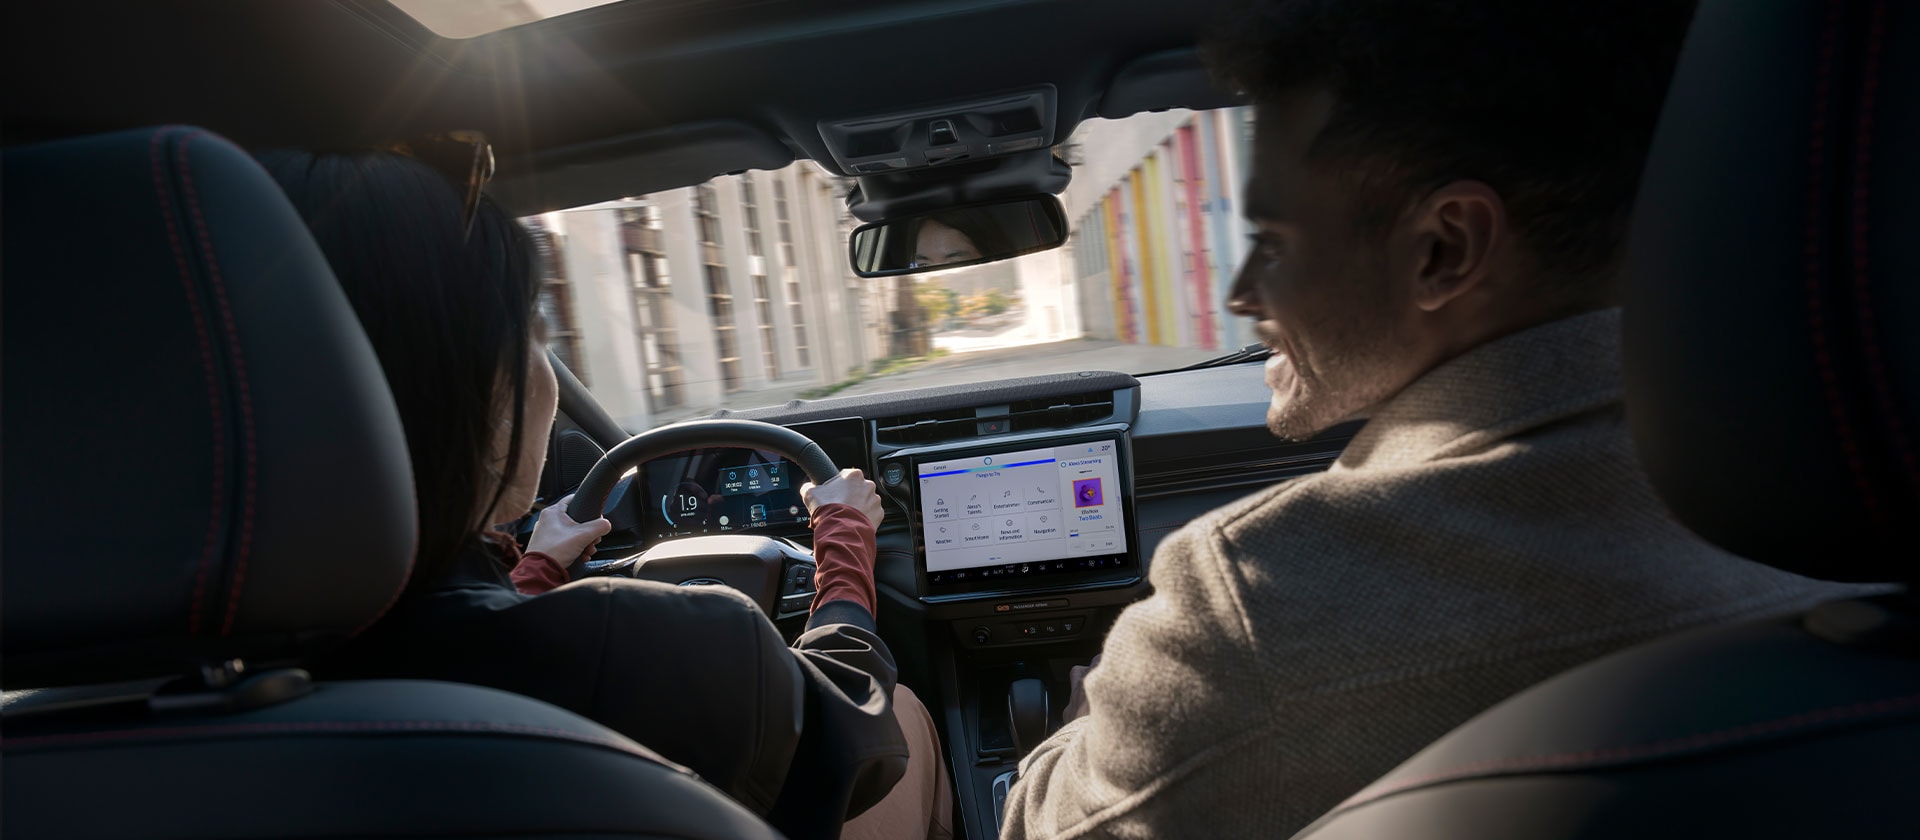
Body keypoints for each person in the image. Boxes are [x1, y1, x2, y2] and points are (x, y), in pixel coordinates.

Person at [1001, 1, 1869, 837]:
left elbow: (1045, 830)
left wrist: (1075, 729)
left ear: (1443, 248)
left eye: (1272, 241)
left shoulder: (1255, 606)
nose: (1239, 294)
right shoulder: (1854, 504)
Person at [261, 149, 947, 839]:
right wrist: (844, 537)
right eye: (538, 334)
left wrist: (535, 567)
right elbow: (855, 725)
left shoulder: (206, 683)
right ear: (476, 394)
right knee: (907, 713)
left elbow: (454, 634)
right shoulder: (643, 648)